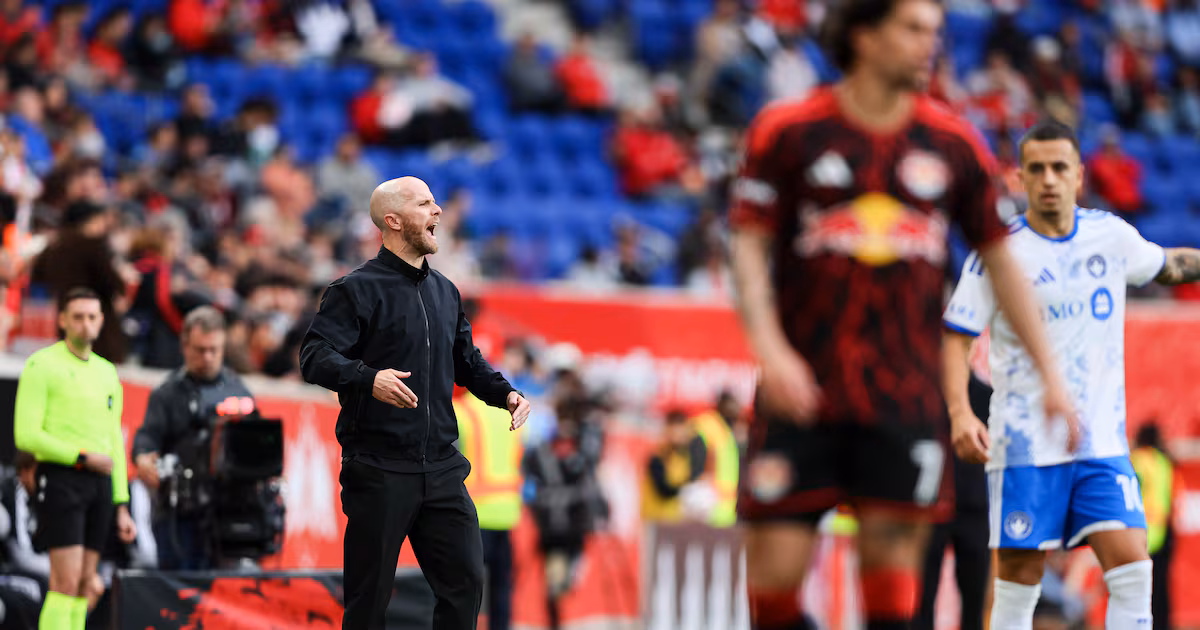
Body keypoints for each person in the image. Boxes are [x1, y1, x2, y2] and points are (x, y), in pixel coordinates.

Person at [727, 0, 1077, 627]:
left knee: (893, 605)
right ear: (864, 35)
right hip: (800, 393)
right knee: (772, 595)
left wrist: (1050, 374)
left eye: (936, 33)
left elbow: (1002, 264)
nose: (930, 45)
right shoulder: (788, 132)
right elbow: (748, 248)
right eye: (914, 29)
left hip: (904, 399)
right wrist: (769, 352)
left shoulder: (954, 144)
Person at [942, 119, 1200, 630]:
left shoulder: (1110, 236)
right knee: (1017, 583)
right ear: (1019, 178)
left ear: (1079, 175)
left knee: (1132, 569)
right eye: (1036, 169)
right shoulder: (997, 252)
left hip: (1101, 443)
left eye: (1060, 167)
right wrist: (958, 412)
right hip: (1024, 445)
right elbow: (955, 335)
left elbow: (1168, 265)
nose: (1049, 179)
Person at [299, 176, 531, 630]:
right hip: (379, 467)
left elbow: (466, 361)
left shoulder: (446, 291)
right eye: (425, 203)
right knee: (369, 602)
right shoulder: (354, 289)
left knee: (465, 587)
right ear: (393, 220)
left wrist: (506, 393)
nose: (438, 211)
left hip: (442, 468)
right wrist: (368, 379)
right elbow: (314, 358)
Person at [13, 287, 137, 629]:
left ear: (101, 321)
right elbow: (26, 435)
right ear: (63, 320)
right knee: (64, 583)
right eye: (78, 317)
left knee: (86, 583)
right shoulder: (42, 364)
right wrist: (81, 457)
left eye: (92, 317)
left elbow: (113, 438)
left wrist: (122, 503)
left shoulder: (107, 372)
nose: (86, 324)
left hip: (99, 484)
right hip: (63, 479)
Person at [131, 306, 254, 570]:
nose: (208, 357)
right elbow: (147, 437)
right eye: (200, 349)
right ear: (184, 346)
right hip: (179, 514)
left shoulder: (239, 392)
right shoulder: (167, 394)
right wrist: (143, 459)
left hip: (226, 511)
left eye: (214, 350)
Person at [916, 366, 993, 630]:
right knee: (922, 598)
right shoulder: (926, 390)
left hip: (975, 508)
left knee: (974, 600)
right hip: (932, 507)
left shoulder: (986, 395)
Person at [454, 389, 524, 630]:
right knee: (502, 591)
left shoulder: (462, 412)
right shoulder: (507, 413)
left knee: (465, 591)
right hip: (507, 513)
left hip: (475, 514)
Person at [1131, 422, 1184, 630]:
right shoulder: (1165, 462)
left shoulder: (1139, 460)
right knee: (1162, 587)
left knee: (1140, 588)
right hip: (1165, 533)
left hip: (1142, 532)